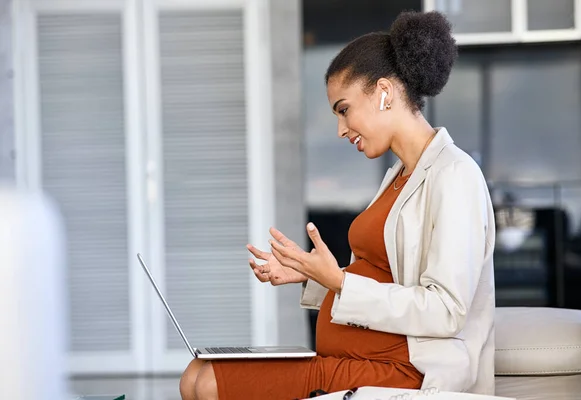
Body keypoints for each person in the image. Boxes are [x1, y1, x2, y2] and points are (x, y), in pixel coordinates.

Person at [180, 10, 496, 400]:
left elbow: (447, 309)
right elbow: (385, 276)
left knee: (208, 383)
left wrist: (339, 282)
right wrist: (310, 274)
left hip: (408, 371)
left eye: (343, 110)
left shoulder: (455, 174)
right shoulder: (399, 175)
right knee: (197, 372)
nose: (341, 129)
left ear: (384, 92)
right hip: (368, 355)